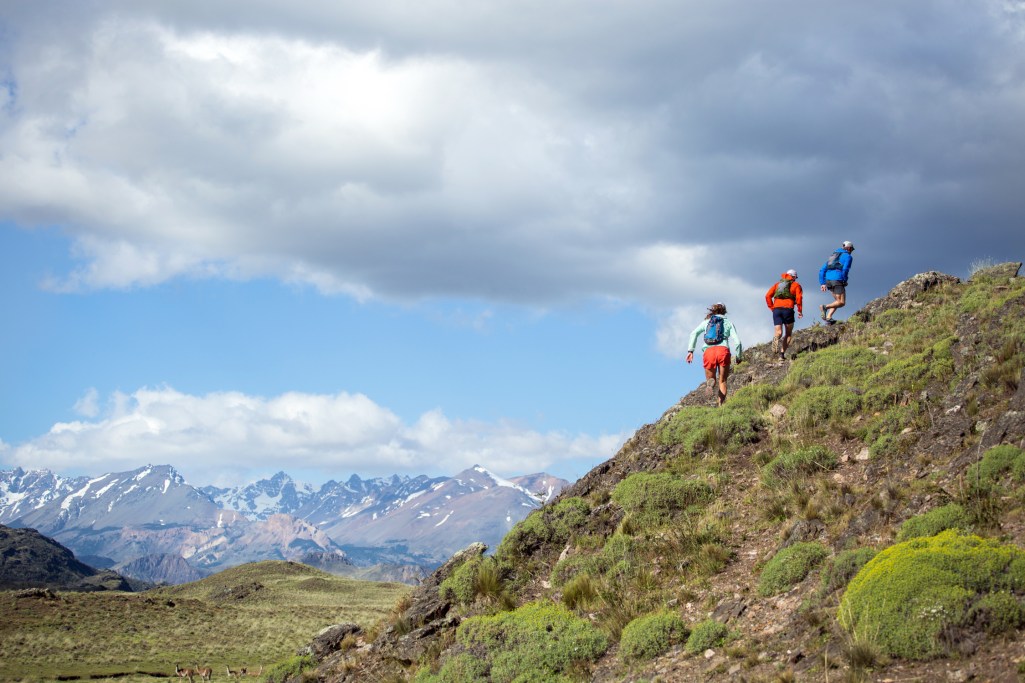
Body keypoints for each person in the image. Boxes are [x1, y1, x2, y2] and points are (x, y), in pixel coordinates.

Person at [686, 303, 743, 407]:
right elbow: (738, 342)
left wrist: (690, 351)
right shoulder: (728, 322)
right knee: (723, 380)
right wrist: (739, 356)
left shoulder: (707, 322)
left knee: (711, 379)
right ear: (724, 311)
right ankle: (721, 405)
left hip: (709, 352)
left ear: (712, 311)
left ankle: (710, 384)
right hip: (723, 351)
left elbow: (693, 333)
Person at [765, 268, 803, 361]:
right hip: (788, 310)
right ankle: (781, 355)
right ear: (793, 277)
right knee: (788, 333)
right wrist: (800, 311)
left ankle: (776, 339)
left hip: (776, 310)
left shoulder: (777, 285)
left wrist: (772, 308)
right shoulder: (796, 285)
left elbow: (767, 296)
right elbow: (799, 298)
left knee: (778, 332)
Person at [818, 240, 855, 325]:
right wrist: (844, 280)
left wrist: (822, 283)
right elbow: (845, 269)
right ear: (849, 248)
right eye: (852, 249)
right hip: (837, 279)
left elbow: (822, 270)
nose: (852, 251)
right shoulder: (848, 257)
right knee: (841, 302)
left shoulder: (833, 256)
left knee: (836, 301)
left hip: (828, 280)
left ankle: (829, 317)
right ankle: (824, 307)